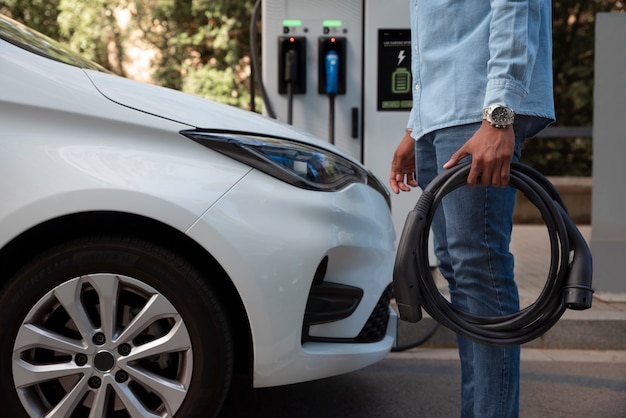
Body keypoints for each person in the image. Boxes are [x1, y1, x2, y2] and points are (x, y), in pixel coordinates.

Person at [389, 1, 555, 417]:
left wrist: (499, 114)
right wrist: (416, 125)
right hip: (438, 114)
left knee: (479, 268)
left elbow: (514, 9)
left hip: (476, 106)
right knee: (459, 271)